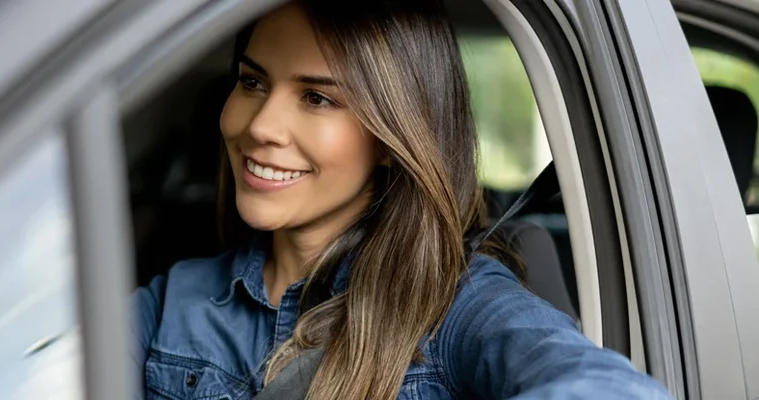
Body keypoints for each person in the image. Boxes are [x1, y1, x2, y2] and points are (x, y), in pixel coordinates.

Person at [132, 1, 671, 399]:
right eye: (252, 82)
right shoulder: (174, 300)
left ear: (393, 140)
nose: (261, 126)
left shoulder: (459, 308)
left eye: (316, 97)